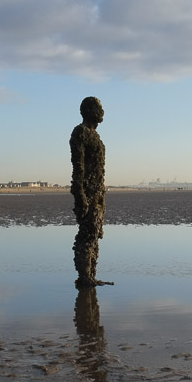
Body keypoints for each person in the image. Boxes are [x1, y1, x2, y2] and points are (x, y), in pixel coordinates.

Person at [70, 96, 113, 287]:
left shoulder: (95, 136)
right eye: (98, 108)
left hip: (98, 192)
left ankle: (91, 275)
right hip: (87, 191)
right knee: (86, 235)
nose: (102, 112)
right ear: (88, 110)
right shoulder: (80, 133)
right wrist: (80, 195)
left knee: (95, 233)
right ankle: (84, 276)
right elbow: (77, 167)